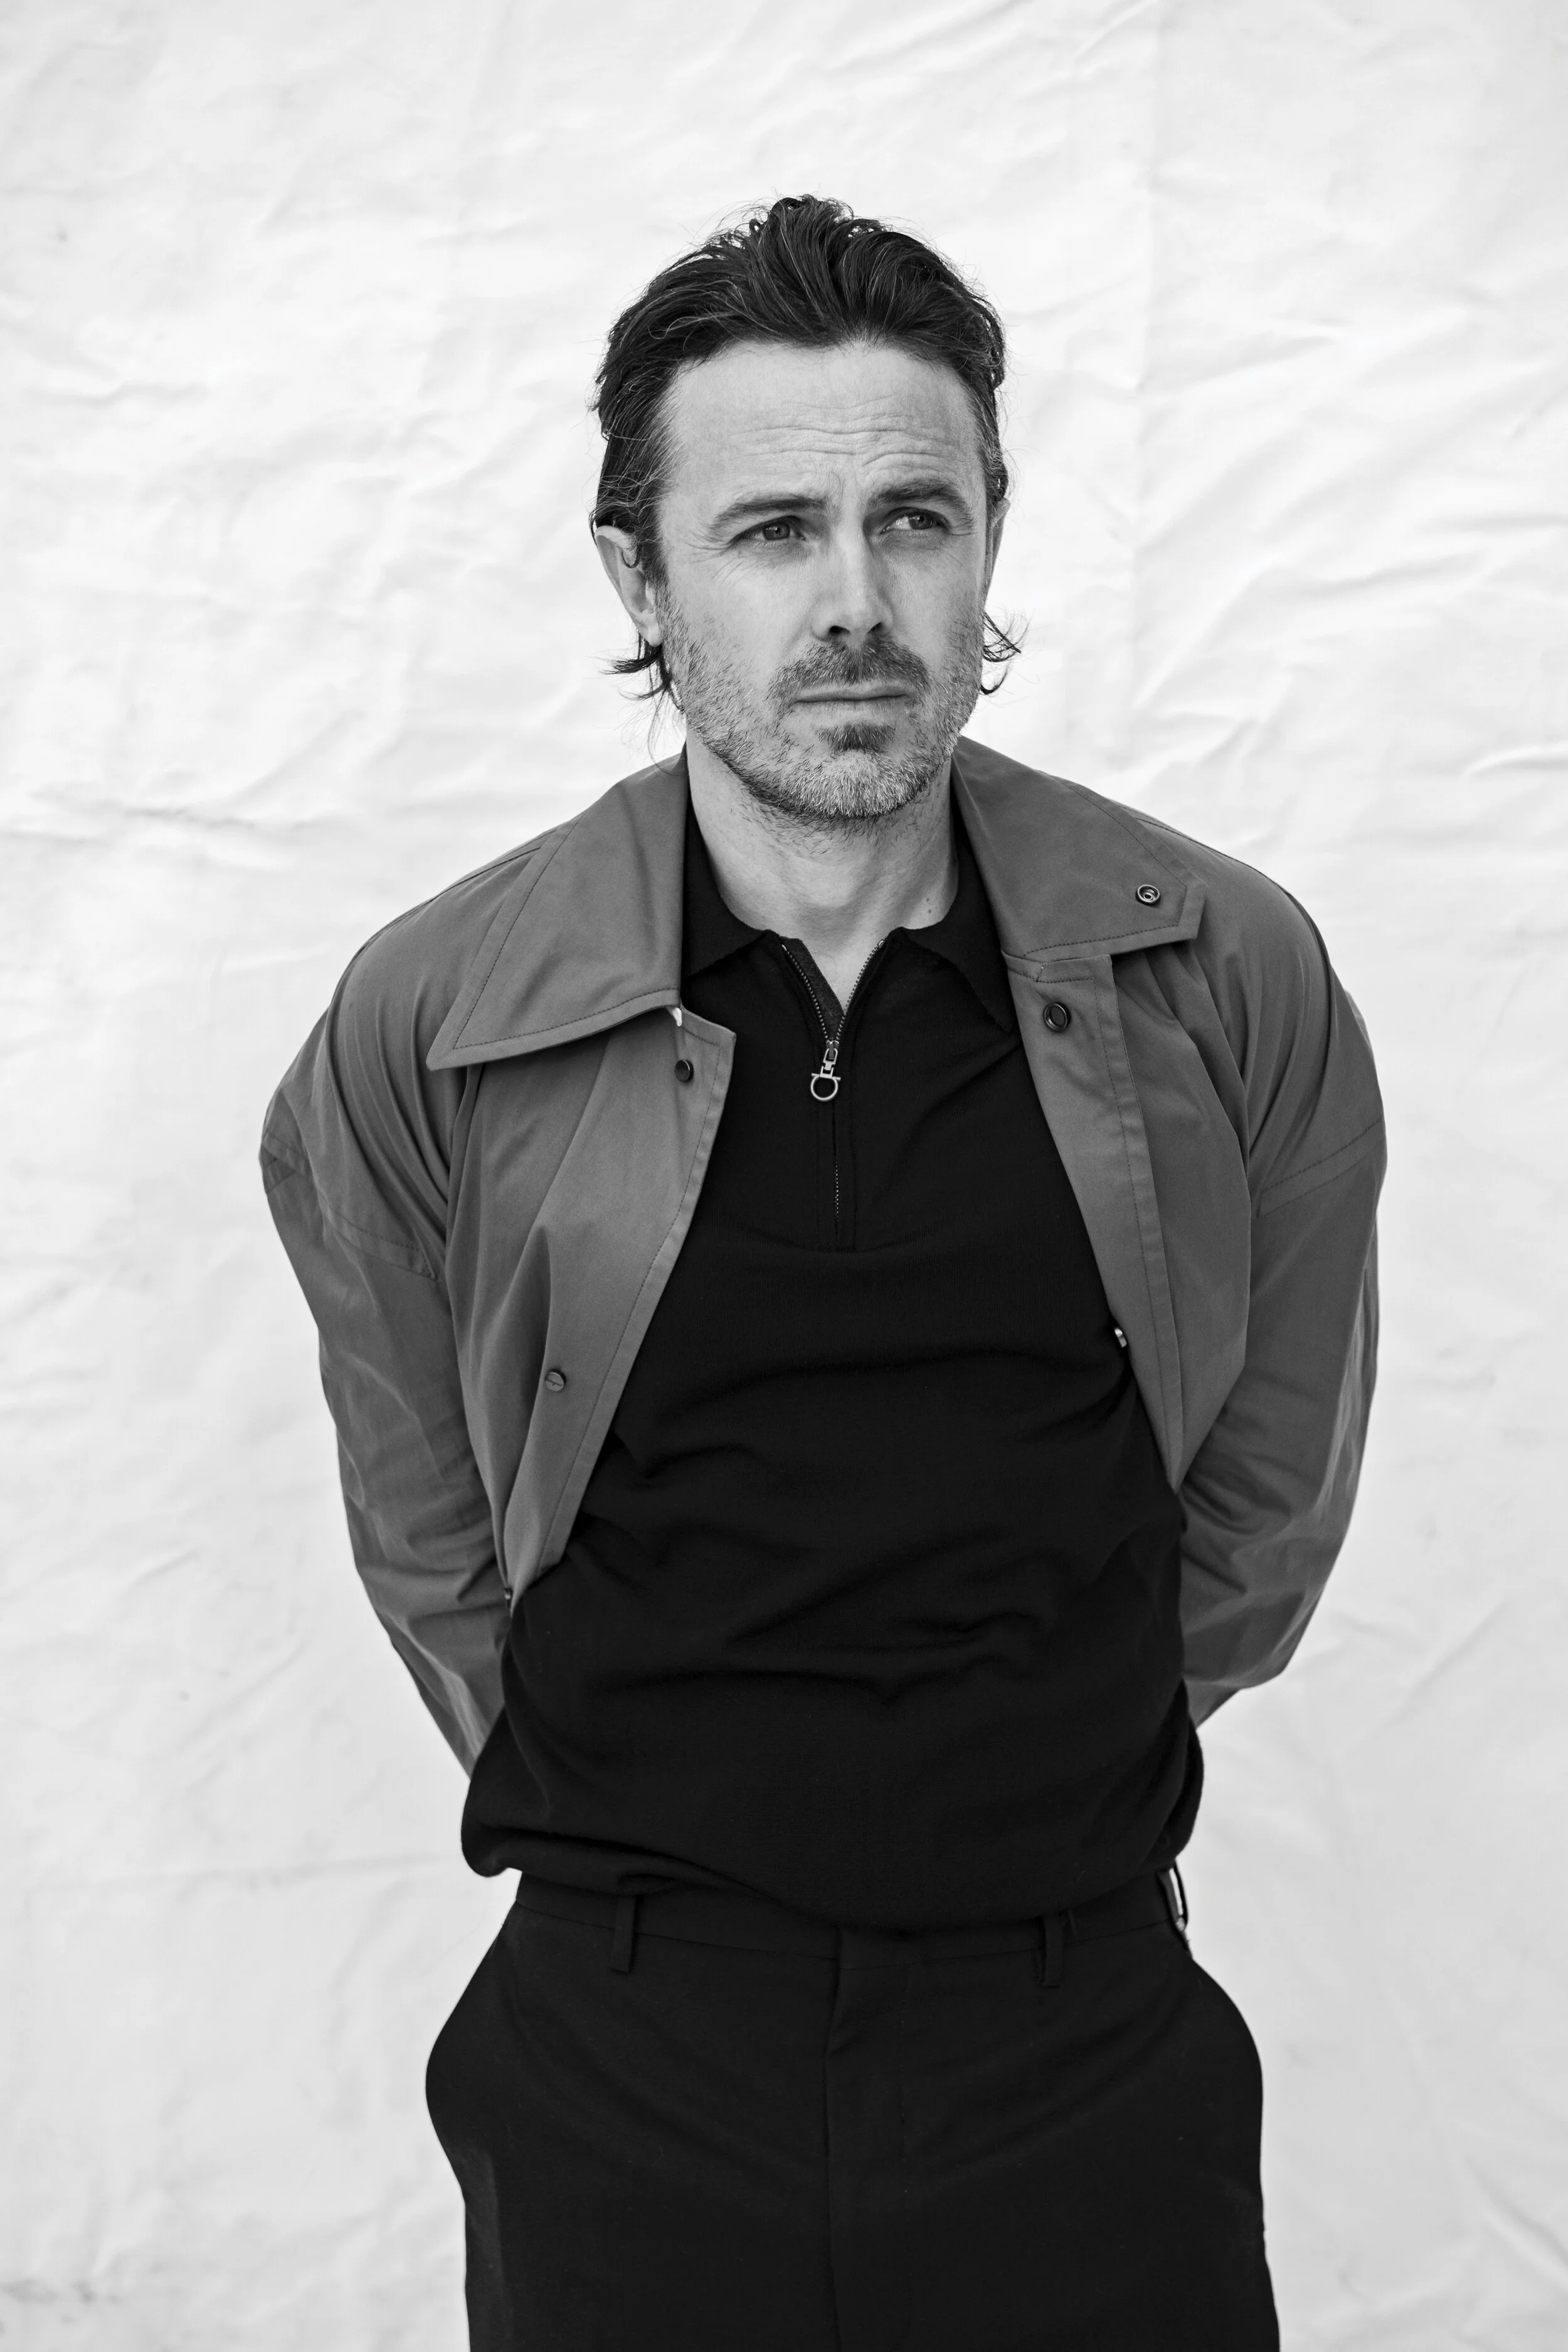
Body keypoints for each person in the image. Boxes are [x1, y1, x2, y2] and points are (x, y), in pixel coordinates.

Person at [261, 195, 1384, 2351]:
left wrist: (1050, 1764)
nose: (855, 601)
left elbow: (1265, 1504)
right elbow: (430, 1536)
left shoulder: (1221, 972)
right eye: (771, 530)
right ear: (641, 580)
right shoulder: (437, 1017)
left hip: (1085, 2032)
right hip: (622, 2046)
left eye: (913, 520)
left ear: (987, 542)